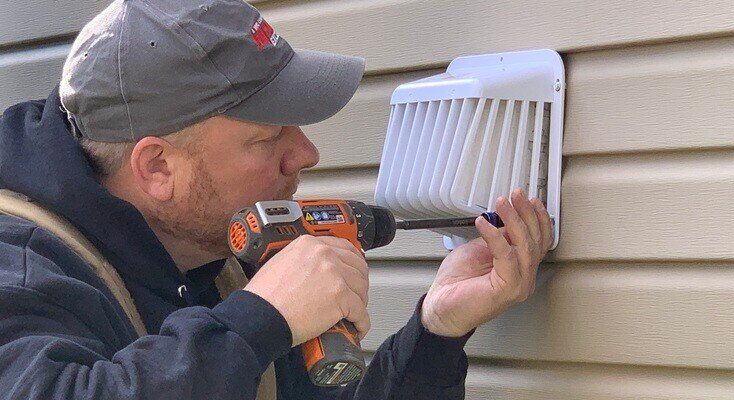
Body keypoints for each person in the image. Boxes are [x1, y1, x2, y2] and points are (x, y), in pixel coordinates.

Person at [0, 0, 552, 398]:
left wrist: (435, 334)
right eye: (267, 137)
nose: (305, 154)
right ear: (158, 167)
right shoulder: (20, 272)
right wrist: (256, 322)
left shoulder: (220, 264)